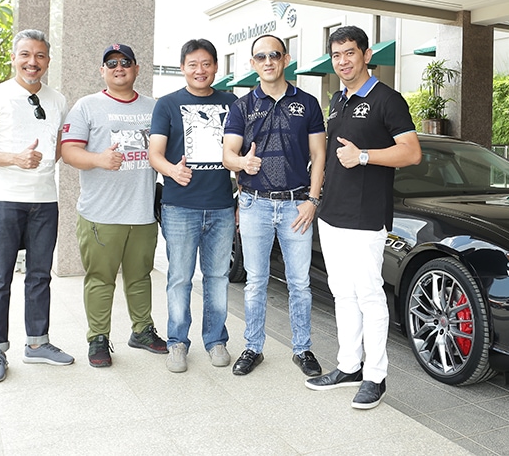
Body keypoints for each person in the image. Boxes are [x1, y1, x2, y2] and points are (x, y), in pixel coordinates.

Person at [304, 26, 421, 409]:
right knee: (343, 294)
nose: (343, 61)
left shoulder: (388, 99)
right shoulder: (337, 99)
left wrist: (365, 155)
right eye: (337, 55)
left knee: (369, 296)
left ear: (366, 55)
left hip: (365, 216)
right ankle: (349, 366)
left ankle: (375, 377)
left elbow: (411, 152)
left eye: (350, 53)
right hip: (332, 213)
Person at [0, 29, 74, 383]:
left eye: (40, 55)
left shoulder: (58, 98)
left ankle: (37, 344)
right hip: (3, 200)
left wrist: (41, 163)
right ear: (14, 58)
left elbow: (58, 144)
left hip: (45, 200)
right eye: (26, 55)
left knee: (40, 276)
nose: (33, 62)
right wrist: (16, 158)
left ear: (48, 60)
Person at [222, 35, 326, 377]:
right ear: (253, 63)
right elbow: (228, 154)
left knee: (300, 283)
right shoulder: (241, 106)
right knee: (256, 281)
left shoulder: (308, 103)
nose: (268, 61)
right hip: (255, 205)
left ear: (285, 60)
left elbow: (319, 155)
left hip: (297, 206)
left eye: (274, 55)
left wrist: (313, 200)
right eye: (261, 57)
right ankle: (253, 347)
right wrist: (242, 165)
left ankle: (303, 349)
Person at [61, 43, 168, 367]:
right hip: (100, 214)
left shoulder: (156, 107)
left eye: (125, 62)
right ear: (102, 71)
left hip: (142, 213)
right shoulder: (87, 106)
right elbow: (68, 152)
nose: (118, 67)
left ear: (136, 69)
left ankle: (142, 330)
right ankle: (98, 338)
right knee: (100, 279)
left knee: (140, 277)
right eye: (111, 63)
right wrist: (98, 159)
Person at [149, 39, 238, 373]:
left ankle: (216, 341)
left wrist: (240, 198)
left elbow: (240, 153)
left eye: (206, 64)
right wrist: (172, 170)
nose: (200, 70)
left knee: (217, 277)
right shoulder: (168, 104)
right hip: (180, 206)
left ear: (216, 67)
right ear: (183, 67)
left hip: (220, 205)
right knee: (180, 278)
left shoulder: (232, 103)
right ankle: (177, 343)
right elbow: (154, 153)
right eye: (193, 64)